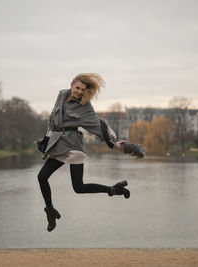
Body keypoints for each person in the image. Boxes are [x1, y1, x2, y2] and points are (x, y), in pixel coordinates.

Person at [37, 73, 132, 232]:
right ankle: (51, 211)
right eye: (78, 88)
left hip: (73, 146)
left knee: (78, 187)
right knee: (42, 177)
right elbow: (52, 117)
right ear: (72, 84)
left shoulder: (84, 106)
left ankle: (112, 190)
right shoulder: (61, 95)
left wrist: (114, 143)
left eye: (83, 90)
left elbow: (99, 126)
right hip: (58, 143)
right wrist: (48, 135)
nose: (80, 92)